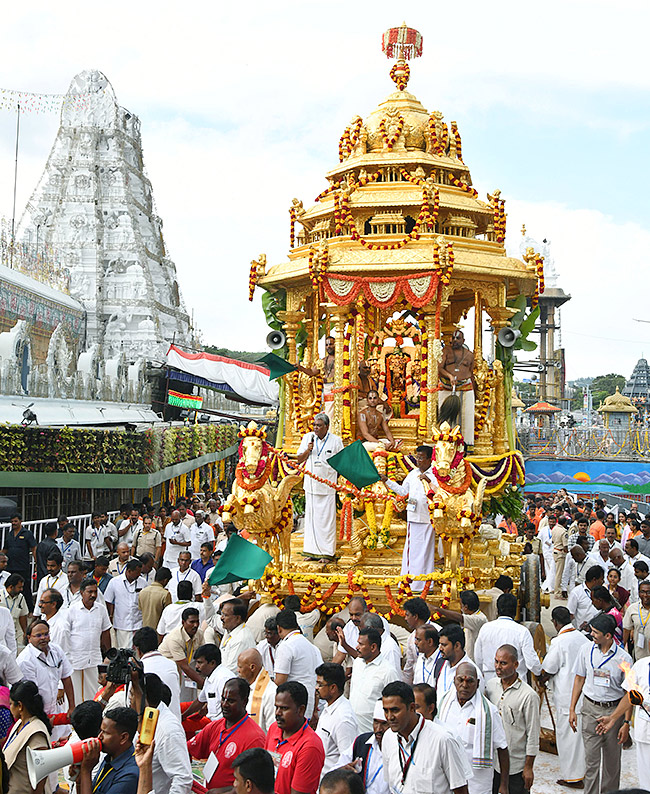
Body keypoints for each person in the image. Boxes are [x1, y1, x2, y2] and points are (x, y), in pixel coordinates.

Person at [569, 613, 632, 794]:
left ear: (608, 636)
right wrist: (572, 708)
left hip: (614, 712)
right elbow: (579, 679)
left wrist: (625, 723)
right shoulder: (585, 650)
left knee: (612, 764)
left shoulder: (624, 659)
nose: (592, 635)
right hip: (590, 709)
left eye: (596, 632)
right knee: (591, 762)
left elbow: (630, 694)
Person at [381, 680, 471, 794]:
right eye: (385, 711)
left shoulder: (442, 739)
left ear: (412, 708)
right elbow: (390, 783)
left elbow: (461, 789)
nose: (389, 717)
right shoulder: (388, 738)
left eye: (395, 710)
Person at [438, 662, 509, 794]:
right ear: (454, 680)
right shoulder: (443, 704)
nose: (464, 685)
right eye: (460, 680)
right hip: (448, 777)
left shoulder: (489, 712)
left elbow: (502, 748)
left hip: (477, 782)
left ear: (477, 683)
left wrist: (504, 784)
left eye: (470, 681)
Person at [539, 606, 590, 789]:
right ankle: (582, 772)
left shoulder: (560, 642)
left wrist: (541, 677)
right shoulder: (582, 638)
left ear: (554, 622)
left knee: (568, 737)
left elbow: (549, 668)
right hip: (583, 694)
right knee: (579, 737)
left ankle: (573, 777)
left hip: (567, 696)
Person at [188, 677, 266, 791]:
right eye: (223, 699)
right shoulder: (216, 726)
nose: (224, 704)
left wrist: (224, 791)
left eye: (230, 700)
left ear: (244, 702)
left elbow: (254, 785)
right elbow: (187, 749)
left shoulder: (255, 738)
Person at [485, 645, 539, 794]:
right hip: (493, 763)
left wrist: (528, 767)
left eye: (503, 663)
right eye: (496, 662)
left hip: (516, 766)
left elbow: (533, 735)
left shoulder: (528, 695)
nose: (497, 667)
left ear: (516, 665)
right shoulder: (490, 686)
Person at [595, 648, 650, 791]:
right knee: (646, 780)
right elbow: (630, 695)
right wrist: (613, 718)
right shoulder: (641, 666)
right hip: (644, 733)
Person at [382, 445, 437, 589]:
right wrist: (387, 481)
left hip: (428, 518)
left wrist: (429, 481)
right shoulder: (412, 474)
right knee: (412, 551)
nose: (418, 461)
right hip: (413, 518)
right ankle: (410, 582)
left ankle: (425, 584)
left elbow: (440, 492)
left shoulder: (435, 474)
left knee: (426, 552)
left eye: (421, 458)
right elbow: (402, 490)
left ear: (429, 459)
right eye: (417, 457)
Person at [129, 671, 193, 794]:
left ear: (144, 698)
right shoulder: (144, 718)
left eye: (132, 694)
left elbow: (183, 779)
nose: (130, 699)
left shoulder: (168, 729)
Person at [295, 413, 344, 561]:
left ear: (327, 427)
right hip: (311, 486)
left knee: (326, 521)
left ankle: (327, 553)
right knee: (311, 521)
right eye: (314, 425)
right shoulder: (308, 438)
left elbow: (342, 462)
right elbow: (298, 459)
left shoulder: (336, 441)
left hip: (327, 487)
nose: (315, 428)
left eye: (319, 425)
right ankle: (310, 552)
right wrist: (308, 450)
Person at [266, 681, 325, 794]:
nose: (277, 713)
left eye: (284, 708)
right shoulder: (274, 729)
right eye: (276, 707)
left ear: (301, 710)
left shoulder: (310, 747)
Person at [62, 577, 112, 703]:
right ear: (82, 593)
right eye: (90, 592)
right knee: (75, 692)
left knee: (94, 689)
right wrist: (67, 656)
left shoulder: (101, 609)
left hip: (94, 657)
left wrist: (109, 655)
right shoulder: (72, 610)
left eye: (95, 592)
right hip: (75, 658)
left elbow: (106, 632)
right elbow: (65, 634)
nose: (93, 595)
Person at [473, 594, 542, 682]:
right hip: (515, 684)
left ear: (497, 610)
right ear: (515, 611)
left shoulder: (485, 628)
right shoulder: (522, 632)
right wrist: (539, 674)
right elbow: (532, 663)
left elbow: (478, 657)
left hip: (489, 680)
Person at [17, 618, 75, 722]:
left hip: (54, 710)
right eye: (38, 635)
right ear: (29, 638)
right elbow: (30, 695)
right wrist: (42, 719)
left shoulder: (56, 650)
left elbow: (66, 677)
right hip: (36, 715)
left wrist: (71, 706)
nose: (43, 638)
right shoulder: (25, 660)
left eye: (46, 634)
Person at [2, 680, 52, 794]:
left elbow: (41, 777)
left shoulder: (37, 733)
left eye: (10, 704)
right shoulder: (20, 724)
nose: (9, 708)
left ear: (19, 706)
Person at [76, 707, 140, 794]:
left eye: (105, 733)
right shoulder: (111, 757)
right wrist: (80, 779)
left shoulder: (130, 775)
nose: (99, 737)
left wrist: (86, 771)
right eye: (100, 731)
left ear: (123, 738)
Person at [349, 626, 400, 732]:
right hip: (352, 727)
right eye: (358, 643)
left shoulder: (388, 671)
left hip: (373, 731)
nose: (357, 647)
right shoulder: (358, 662)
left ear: (373, 647)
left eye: (361, 644)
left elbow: (396, 703)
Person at [274, 609, 322, 719]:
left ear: (279, 628)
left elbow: (280, 681)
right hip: (309, 702)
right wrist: (314, 708)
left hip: (291, 704)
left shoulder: (286, 646)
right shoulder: (312, 647)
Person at [314, 662, 358, 776]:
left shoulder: (343, 718)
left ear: (333, 688)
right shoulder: (328, 707)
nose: (316, 688)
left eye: (320, 684)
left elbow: (348, 761)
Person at [159, 607, 206, 700]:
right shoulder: (175, 638)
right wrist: (204, 684)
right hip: (171, 669)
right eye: (192, 622)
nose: (196, 625)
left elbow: (203, 655)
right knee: (175, 697)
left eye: (197, 621)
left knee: (190, 697)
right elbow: (184, 666)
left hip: (186, 667)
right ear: (183, 622)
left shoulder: (199, 633)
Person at [438, 328, 475, 444]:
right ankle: (444, 442)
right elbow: (439, 368)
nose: (455, 340)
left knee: (466, 416)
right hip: (446, 387)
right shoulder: (445, 351)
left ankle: (466, 444)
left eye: (457, 338)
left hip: (466, 387)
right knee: (445, 415)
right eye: (453, 338)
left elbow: (472, 372)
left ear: (463, 340)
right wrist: (449, 376)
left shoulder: (469, 355)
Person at [104, 558, 146, 647]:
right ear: (129, 571)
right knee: (123, 651)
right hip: (121, 624)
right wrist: (111, 616)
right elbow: (108, 600)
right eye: (137, 572)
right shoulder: (114, 582)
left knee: (136, 654)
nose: (139, 575)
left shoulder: (143, 583)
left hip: (138, 623)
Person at [436, 590, 488, 662]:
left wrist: (438, 610)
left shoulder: (479, 619)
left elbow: (460, 618)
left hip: (473, 660)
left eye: (460, 604)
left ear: (465, 607)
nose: (460, 606)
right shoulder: (470, 615)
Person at [437, 623, 482, 699]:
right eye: (440, 644)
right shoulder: (441, 664)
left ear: (457, 646)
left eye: (444, 645)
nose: (440, 648)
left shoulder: (473, 672)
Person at [2, 513, 37, 613]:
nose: (13, 523)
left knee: (25, 588)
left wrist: (36, 563)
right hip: (10, 567)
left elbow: (34, 548)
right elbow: (5, 549)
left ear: (20, 521)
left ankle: (30, 610)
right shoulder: (10, 534)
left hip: (22, 566)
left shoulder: (27, 533)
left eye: (15, 521)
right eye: (12, 521)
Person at [238, 647, 277, 732]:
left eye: (240, 667)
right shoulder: (245, 686)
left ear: (252, 667)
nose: (238, 670)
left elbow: (272, 729)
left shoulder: (270, 692)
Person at [218, 597, 257, 671]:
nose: (221, 618)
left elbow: (231, 671)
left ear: (238, 618)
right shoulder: (229, 628)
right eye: (222, 614)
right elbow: (211, 620)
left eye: (225, 615)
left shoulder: (241, 639)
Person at [402, 596, 433, 684]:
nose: (405, 619)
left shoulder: (437, 631)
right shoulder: (411, 638)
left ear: (415, 616)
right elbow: (409, 666)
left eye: (407, 615)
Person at [568, 565, 604, 631]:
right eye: (601, 579)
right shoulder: (576, 592)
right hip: (581, 633)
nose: (603, 582)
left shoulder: (602, 591)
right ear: (594, 580)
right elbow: (570, 614)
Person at [623, 579, 650, 658]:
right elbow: (626, 630)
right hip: (639, 654)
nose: (645, 595)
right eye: (642, 592)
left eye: (648, 592)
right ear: (638, 593)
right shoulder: (632, 609)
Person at [0, 574, 28, 649]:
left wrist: (25, 633)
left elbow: (23, 616)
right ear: (11, 587)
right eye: (19, 587)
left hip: (13, 634)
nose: (21, 589)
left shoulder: (21, 598)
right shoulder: (0, 596)